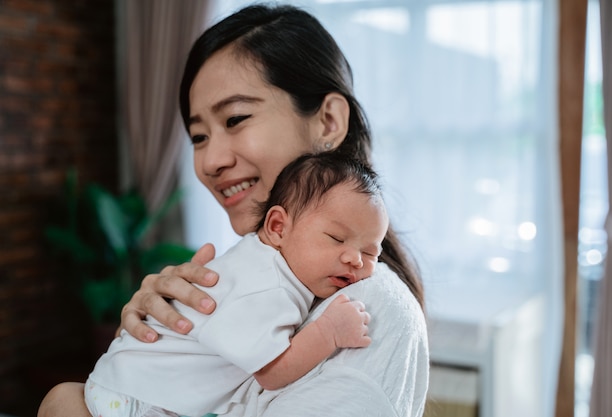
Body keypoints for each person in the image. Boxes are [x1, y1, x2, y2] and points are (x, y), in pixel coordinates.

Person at [38, 4, 429, 417]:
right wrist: (154, 341)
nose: (209, 162)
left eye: (236, 118)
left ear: (328, 121)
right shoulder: (256, 273)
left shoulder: (368, 308)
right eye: (198, 136)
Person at [83, 152, 388, 417]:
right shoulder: (270, 286)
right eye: (336, 239)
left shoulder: (260, 260)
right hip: (134, 399)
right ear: (278, 227)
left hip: (125, 383)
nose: (356, 260)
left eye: (370, 252)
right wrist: (329, 332)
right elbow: (271, 372)